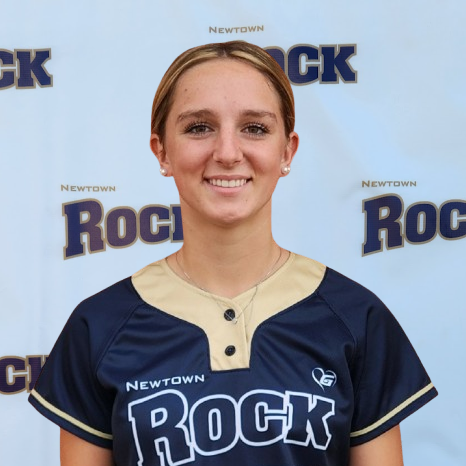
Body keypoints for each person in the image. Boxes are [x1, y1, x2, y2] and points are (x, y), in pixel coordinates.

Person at [29, 40, 437, 466]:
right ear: (162, 151)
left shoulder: (356, 318)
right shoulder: (98, 326)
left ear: (287, 151)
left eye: (255, 128)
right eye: (199, 127)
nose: (227, 153)